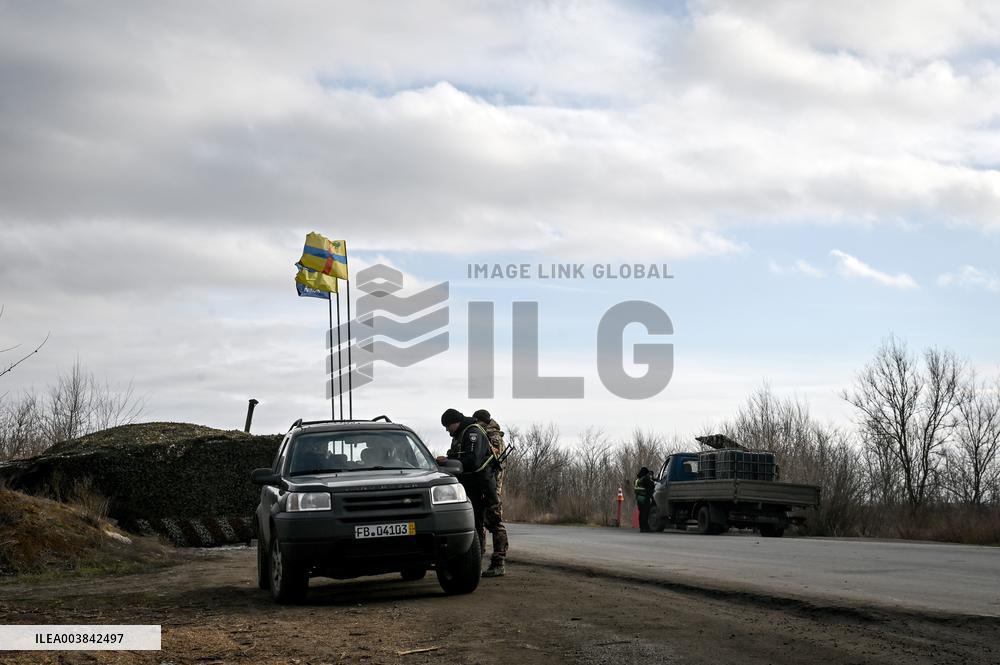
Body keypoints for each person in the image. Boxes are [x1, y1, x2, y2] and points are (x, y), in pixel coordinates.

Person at [441, 408, 509, 577]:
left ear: (454, 422)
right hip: (476, 486)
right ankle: (475, 563)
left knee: (494, 522)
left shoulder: (474, 433)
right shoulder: (463, 434)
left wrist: (449, 460)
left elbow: (473, 460)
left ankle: (498, 562)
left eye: (447, 426)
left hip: (487, 485)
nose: (447, 430)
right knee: (477, 523)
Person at [472, 409, 507, 560]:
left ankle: (499, 560)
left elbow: (493, 462)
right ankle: (479, 557)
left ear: (482, 421)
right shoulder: (488, 434)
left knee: (494, 521)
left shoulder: (493, 436)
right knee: (482, 521)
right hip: (488, 484)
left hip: (492, 485)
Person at [634, 466, 656, 533]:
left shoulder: (637, 480)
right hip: (645, 498)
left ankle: (641, 528)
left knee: (641, 513)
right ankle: (646, 528)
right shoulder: (645, 479)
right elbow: (651, 485)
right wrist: (651, 479)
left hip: (639, 499)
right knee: (645, 514)